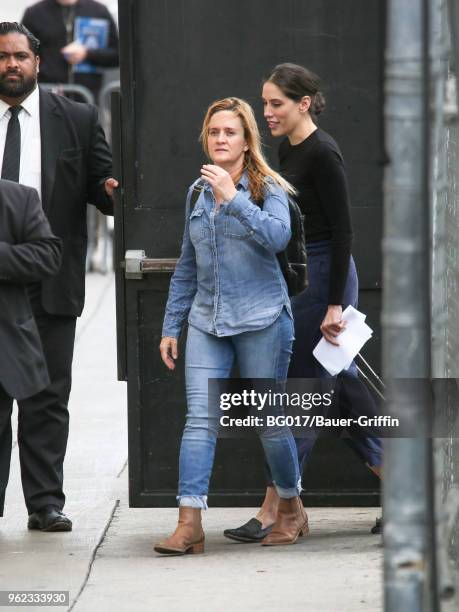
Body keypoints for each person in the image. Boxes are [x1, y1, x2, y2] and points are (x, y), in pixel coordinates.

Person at [224, 63, 383, 543]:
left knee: (304, 394)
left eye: (276, 103)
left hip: (326, 285)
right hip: (299, 281)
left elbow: (343, 233)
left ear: (303, 104)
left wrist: (336, 305)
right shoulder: (287, 149)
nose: (267, 112)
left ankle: (278, 507)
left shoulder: (322, 152)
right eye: (265, 102)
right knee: (342, 391)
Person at [154, 97, 307, 555]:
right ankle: (189, 523)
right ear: (207, 137)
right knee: (199, 419)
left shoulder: (267, 188)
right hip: (207, 320)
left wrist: (233, 198)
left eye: (231, 133)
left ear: (246, 142)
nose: (221, 139)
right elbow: (188, 264)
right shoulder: (196, 192)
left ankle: (292, 506)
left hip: (262, 317)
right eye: (215, 132)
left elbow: (278, 237)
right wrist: (171, 325)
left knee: (268, 421)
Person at [0, 21, 118, 531]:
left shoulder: (76, 116)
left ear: (38, 62)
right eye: (3, 56)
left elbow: (102, 187)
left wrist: (118, 191)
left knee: (47, 398)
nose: (11, 65)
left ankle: (45, 502)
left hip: (50, 277)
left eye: (20, 56)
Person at [0, 179, 62, 518]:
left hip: (7, 338)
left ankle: (45, 503)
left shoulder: (19, 198)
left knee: (44, 406)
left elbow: (47, 255)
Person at [22, 0, 119, 102]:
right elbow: (22, 56)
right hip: (48, 96)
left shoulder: (99, 11)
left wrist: (87, 54)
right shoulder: (34, 13)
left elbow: (117, 55)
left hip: (87, 97)